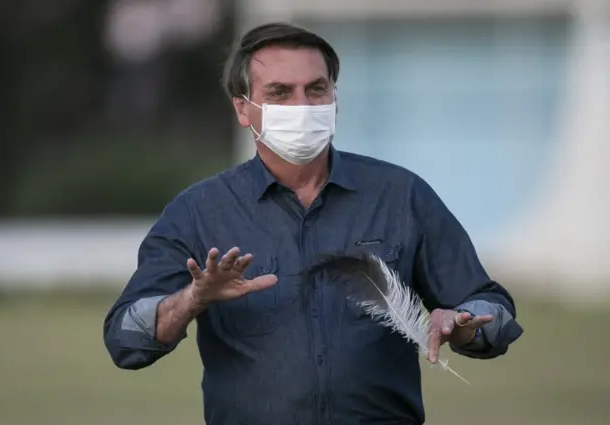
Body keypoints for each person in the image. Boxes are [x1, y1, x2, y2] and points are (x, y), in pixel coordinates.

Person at [103, 22, 524, 425]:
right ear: (243, 108)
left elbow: (493, 312)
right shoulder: (198, 210)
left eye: (316, 89)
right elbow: (125, 338)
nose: (302, 107)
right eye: (280, 92)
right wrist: (193, 298)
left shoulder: (400, 195)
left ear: (335, 98)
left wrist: (466, 324)